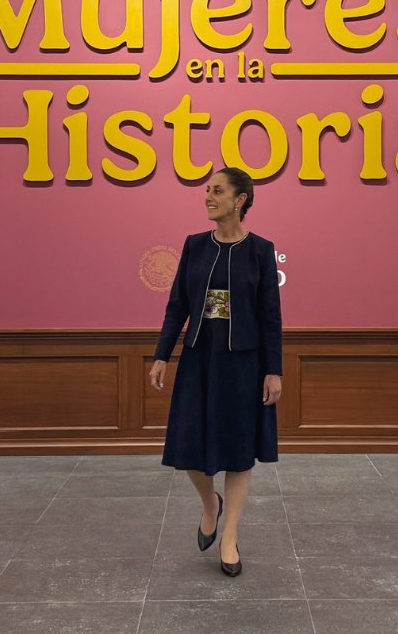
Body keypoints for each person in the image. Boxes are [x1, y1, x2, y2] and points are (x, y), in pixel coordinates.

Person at [149, 167, 283, 577]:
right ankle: (211, 504)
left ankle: (230, 537)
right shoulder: (194, 245)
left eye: (218, 191)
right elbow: (177, 306)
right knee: (188, 446)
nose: (209, 197)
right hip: (199, 360)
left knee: (239, 454)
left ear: (241, 199)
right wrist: (160, 354)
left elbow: (270, 317)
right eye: (207, 190)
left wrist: (273, 370)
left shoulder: (261, 250)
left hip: (244, 364)